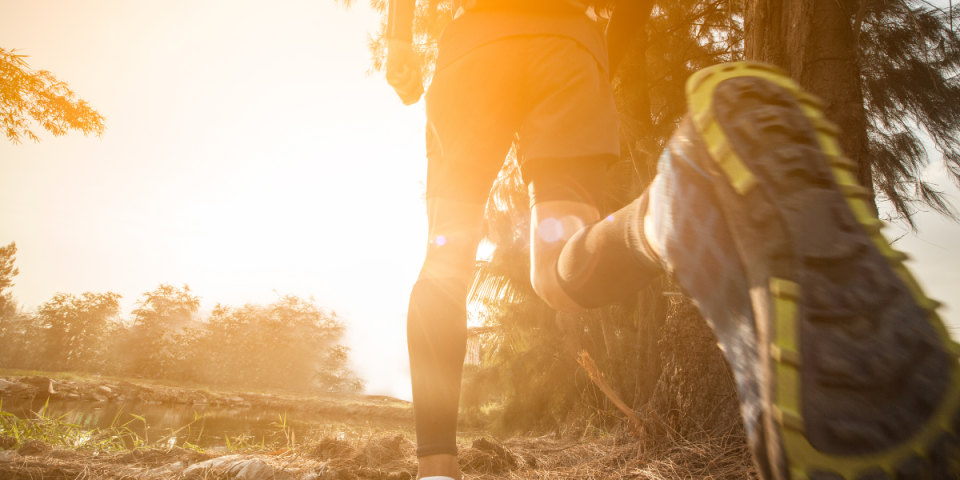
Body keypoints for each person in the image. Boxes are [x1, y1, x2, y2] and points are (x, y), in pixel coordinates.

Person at [384, 1, 960, 479]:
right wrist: (596, 58)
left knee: (445, 265)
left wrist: (401, 39)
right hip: (567, 47)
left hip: (474, 56)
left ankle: (437, 468)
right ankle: (668, 210)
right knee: (558, 264)